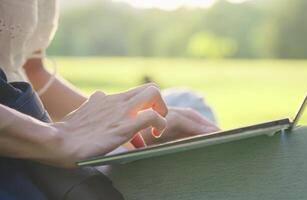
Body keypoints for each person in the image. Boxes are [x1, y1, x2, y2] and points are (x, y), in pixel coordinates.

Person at [0, 0, 219, 198]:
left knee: (189, 104)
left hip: (32, 122)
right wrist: (57, 137)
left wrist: (122, 125)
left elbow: (32, 71)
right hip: (19, 144)